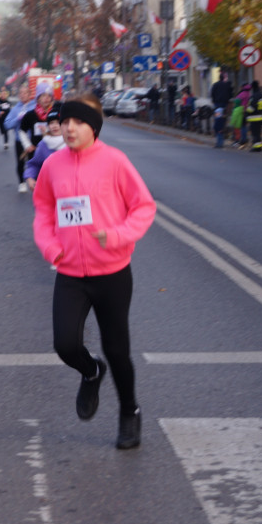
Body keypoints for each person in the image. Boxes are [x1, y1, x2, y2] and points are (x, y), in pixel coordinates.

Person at [32, 93, 156, 450]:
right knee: (65, 344)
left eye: (78, 122)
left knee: (118, 350)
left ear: (94, 128)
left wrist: (117, 235)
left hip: (112, 272)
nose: (69, 128)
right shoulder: (53, 165)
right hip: (70, 272)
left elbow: (143, 207)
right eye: (65, 121)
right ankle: (90, 371)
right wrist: (51, 246)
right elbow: (43, 209)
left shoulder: (115, 162)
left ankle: (129, 412)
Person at [17, 84, 55, 193]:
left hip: (54, 150)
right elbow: (22, 131)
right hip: (36, 152)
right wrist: (27, 145)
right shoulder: (30, 115)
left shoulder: (56, 113)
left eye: (49, 95)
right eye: (43, 95)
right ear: (38, 98)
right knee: (39, 180)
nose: (46, 98)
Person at [22, 104, 63, 189]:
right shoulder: (43, 144)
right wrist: (30, 177)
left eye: (58, 122)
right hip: (49, 188)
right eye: (51, 123)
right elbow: (34, 164)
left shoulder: (73, 142)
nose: (55, 126)